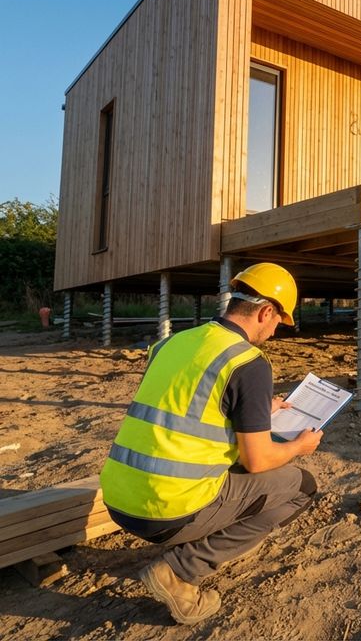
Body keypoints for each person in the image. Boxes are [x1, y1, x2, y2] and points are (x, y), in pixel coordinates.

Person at [99, 262, 323, 625]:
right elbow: (258, 461)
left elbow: (188, 406)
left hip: (118, 497)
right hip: (166, 510)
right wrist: (299, 447)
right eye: (277, 323)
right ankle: (180, 570)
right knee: (301, 486)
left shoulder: (172, 344)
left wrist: (257, 409)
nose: (273, 332)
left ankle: (190, 540)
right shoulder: (249, 362)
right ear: (266, 312)